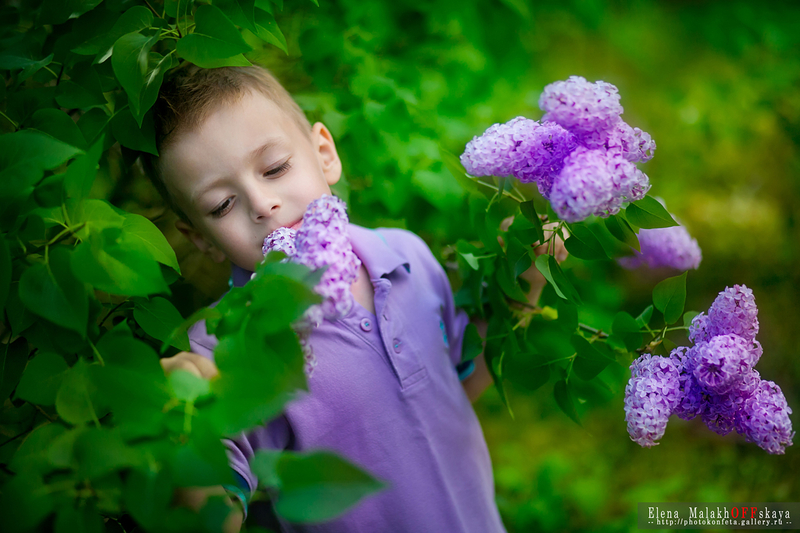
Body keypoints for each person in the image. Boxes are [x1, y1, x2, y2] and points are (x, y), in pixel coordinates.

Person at [147, 64, 565, 532]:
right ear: (198, 236)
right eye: (221, 205)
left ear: (323, 153)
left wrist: (525, 279)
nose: (262, 204)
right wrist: (182, 429)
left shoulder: (406, 257)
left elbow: (459, 383)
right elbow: (214, 518)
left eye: (275, 168)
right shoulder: (224, 350)